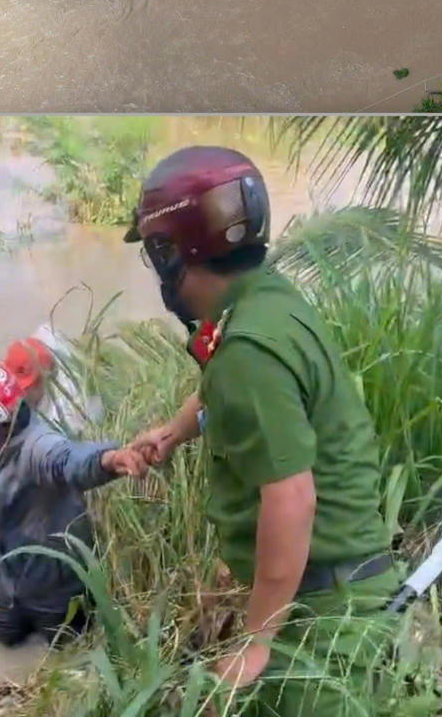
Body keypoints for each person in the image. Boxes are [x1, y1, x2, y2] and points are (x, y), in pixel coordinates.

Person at [124, 146, 400, 716]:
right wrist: (175, 430)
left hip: (324, 614)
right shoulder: (266, 303)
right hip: (339, 590)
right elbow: (226, 389)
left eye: (157, 255)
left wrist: (256, 640)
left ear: (169, 251)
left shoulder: (249, 350)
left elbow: (291, 498)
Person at [0, 359, 147, 646]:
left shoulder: (36, 446)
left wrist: (110, 459)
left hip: (58, 595)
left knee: (70, 662)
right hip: (12, 584)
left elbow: (69, 460)